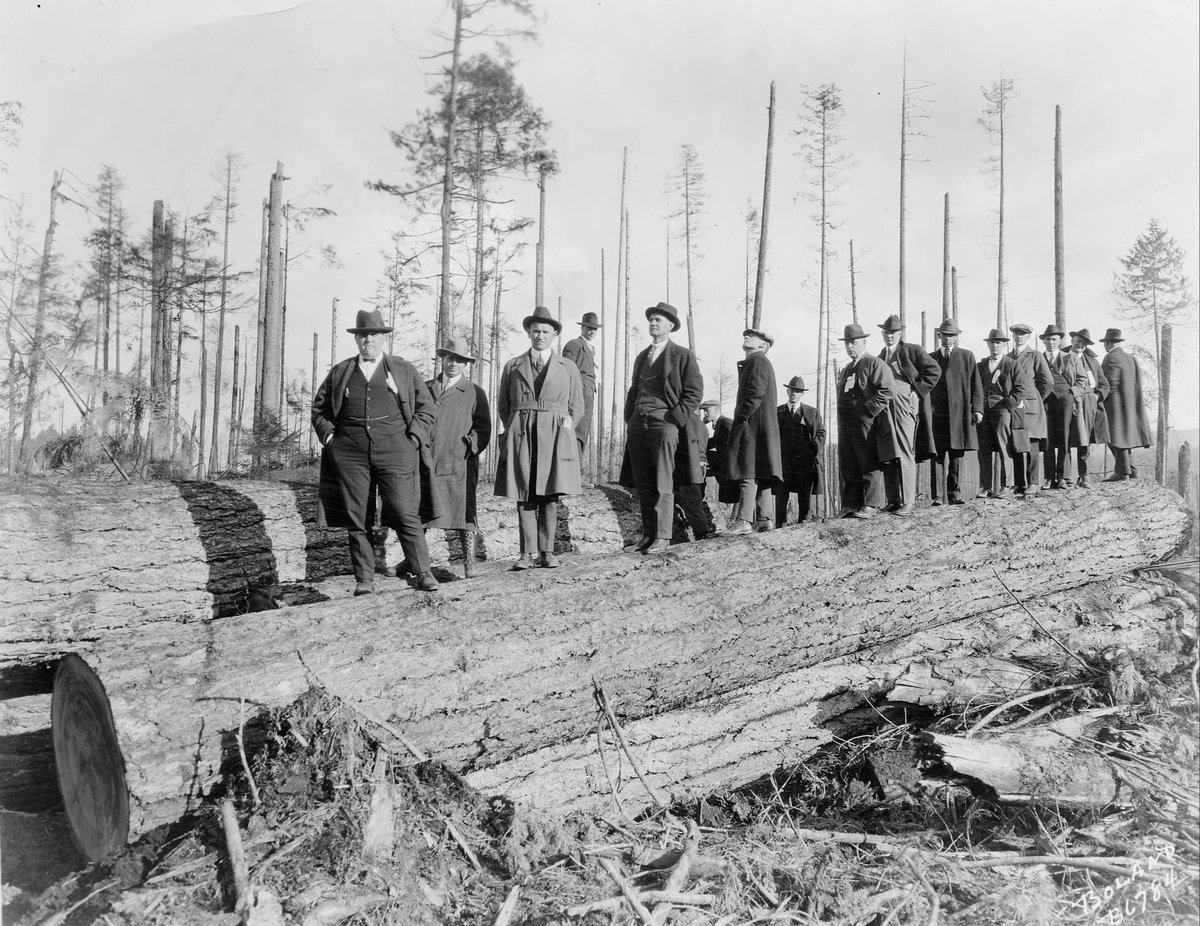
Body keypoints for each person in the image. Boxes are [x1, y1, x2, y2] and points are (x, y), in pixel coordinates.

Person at [312, 308, 440, 595]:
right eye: (362, 335)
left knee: (405, 511)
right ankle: (364, 580)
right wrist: (331, 438)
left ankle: (423, 572)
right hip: (351, 453)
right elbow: (319, 410)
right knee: (358, 517)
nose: (367, 339)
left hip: (397, 450)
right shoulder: (341, 371)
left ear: (383, 338)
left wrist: (414, 440)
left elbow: (426, 410)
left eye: (373, 334)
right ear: (357, 339)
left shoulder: (403, 370)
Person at [495, 305, 584, 569]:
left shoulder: (567, 367)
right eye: (535, 331)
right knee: (524, 493)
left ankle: (547, 552)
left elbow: (577, 406)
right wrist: (513, 426)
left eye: (545, 331)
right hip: (522, 434)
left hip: (555, 437)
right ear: (528, 333)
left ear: (554, 334)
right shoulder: (513, 366)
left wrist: (566, 427)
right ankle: (526, 553)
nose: (540, 336)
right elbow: (503, 405)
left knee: (548, 495)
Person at [619, 302, 704, 553]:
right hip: (638, 423)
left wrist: (674, 419)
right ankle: (648, 534)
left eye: (659, 320)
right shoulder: (642, 356)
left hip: (664, 422)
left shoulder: (682, 355)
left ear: (670, 326)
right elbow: (633, 389)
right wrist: (630, 417)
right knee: (643, 482)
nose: (654, 323)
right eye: (652, 319)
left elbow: (694, 392)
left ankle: (664, 537)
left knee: (663, 481)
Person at [420, 337, 491, 579]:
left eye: (459, 360)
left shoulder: (474, 392)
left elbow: (483, 428)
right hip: (427, 461)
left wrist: (468, 446)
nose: (453, 364)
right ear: (443, 359)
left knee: (464, 514)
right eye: (450, 358)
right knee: (421, 512)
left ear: (465, 365)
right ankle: (415, 561)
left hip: (459, 463)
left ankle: (469, 563)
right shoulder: (426, 388)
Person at [877, 314, 940, 515]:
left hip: (904, 403)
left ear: (900, 333)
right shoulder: (880, 357)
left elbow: (934, 370)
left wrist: (917, 391)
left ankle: (908, 501)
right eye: (887, 332)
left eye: (893, 333)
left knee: (905, 450)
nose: (890, 336)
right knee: (889, 451)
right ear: (882, 333)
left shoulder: (912, 350)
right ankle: (893, 499)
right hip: (885, 405)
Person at [836, 324, 897, 519]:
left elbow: (887, 390)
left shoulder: (874, 363)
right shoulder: (847, 369)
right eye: (847, 343)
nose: (850, 347)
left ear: (863, 342)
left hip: (866, 420)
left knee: (867, 460)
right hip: (847, 421)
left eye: (854, 342)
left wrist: (868, 410)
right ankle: (851, 504)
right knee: (849, 461)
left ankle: (872, 503)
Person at [726, 328, 783, 534]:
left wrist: (741, 417)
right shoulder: (759, 361)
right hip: (761, 426)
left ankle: (743, 521)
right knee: (761, 471)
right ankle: (764, 519)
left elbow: (755, 393)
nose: (746, 337)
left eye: (753, 336)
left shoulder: (757, 360)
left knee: (748, 471)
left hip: (753, 426)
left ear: (763, 345)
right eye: (745, 335)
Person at [928, 318, 983, 505]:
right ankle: (936, 497)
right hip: (937, 414)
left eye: (952, 336)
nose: (948, 339)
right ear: (939, 335)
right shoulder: (930, 358)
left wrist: (978, 409)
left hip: (959, 414)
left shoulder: (967, 357)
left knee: (956, 454)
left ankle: (954, 494)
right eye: (945, 335)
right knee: (936, 455)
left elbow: (976, 384)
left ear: (956, 337)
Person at [976, 328, 1035, 499]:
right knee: (984, 449)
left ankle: (1006, 485)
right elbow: (976, 389)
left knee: (1003, 447)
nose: (995, 346)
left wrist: (1008, 405)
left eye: (998, 343)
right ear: (988, 344)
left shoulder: (1011, 364)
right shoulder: (980, 365)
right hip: (983, 412)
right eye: (992, 342)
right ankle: (985, 487)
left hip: (1002, 410)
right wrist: (977, 409)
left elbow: (1021, 388)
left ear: (1003, 345)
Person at [1007, 322, 1054, 497]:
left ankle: (1033, 482)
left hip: (1031, 405)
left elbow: (1048, 382)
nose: (1019, 337)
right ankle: (1020, 483)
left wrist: (1036, 397)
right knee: (1018, 442)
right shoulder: (1007, 356)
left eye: (1022, 334)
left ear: (1028, 337)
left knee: (1033, 443)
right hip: (1015, 404)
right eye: (1016, 334)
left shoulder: (1034, 355)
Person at [1039, 323, 1088, 489]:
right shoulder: (1038, 358)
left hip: (1066, 402)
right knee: (1047, 439)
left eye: (1054, 339)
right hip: (1045, 402)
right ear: (1043, 341)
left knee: (1064, 439)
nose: (1050, 342)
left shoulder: (1070, 358)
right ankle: (1048, 478)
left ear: (1059, 341)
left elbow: (1082, 380)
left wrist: (1072, 393)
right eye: (1047, 339)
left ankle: (1062, 476)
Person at [1099, 328, 1152, 481]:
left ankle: (1122, 472)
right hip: (1130, 406)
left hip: (1115, 406)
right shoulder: (1130, 358)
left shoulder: (1110, 358)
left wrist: (1098, 398)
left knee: (1115, 438)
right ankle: (1132, 470)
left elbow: (1109, 385)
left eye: (1105, 343)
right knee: (1124, 438)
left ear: (1108, 343)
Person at [774, 375, 825, 526]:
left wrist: (813, 449)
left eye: (798, 391)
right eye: (792, 390)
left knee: (805, 495)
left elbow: (821, 433)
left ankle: (804, 522)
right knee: (781, 494)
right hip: (783, 463)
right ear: (787, 391)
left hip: (804, 462)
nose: (794, 393)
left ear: (802, 393)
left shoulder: (811, 412)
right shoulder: (777, 412)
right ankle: (780, 525)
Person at [1065, 328, 1110, 489]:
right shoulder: (1062, 357)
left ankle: (1084, 476)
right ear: (1072, 341)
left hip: (1088, 404)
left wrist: (1096, 397)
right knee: (1066, 438)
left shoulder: (1092, 362)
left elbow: (1104, 384)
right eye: (1078, 341)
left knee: (1084, 440)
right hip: (1068, 401)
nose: (1081, 345)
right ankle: (1065, 477)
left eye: (1084, 343)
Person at [674, 407, 718, 539]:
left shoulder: (687, 420)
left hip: (690, 465)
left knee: (691, 501)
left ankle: (703, 532)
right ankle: (705, 529)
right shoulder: (700, 424)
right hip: (697, 465)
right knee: (695, 499)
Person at [561, 312, 600, 461]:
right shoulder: (574, 345)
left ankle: (575, 472)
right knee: (574, 432)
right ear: (582, 327)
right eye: (589, 328)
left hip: (588, 396)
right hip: (577, 396)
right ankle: (571, 472)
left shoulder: (590, 348)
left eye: (595, 329)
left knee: (582, 433)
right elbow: (566, 371)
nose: (592, 332)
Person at [700, 399, 738, 518]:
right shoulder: (719, 423)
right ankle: (735, 517)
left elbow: (733, 444)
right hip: (728, 464)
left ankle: (740, 518)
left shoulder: (726, 423)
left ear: (716, 409)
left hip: (731, 465)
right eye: (704, 410)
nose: (705, 413)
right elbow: (714, 441)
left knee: (738, 493)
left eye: (707, 410)